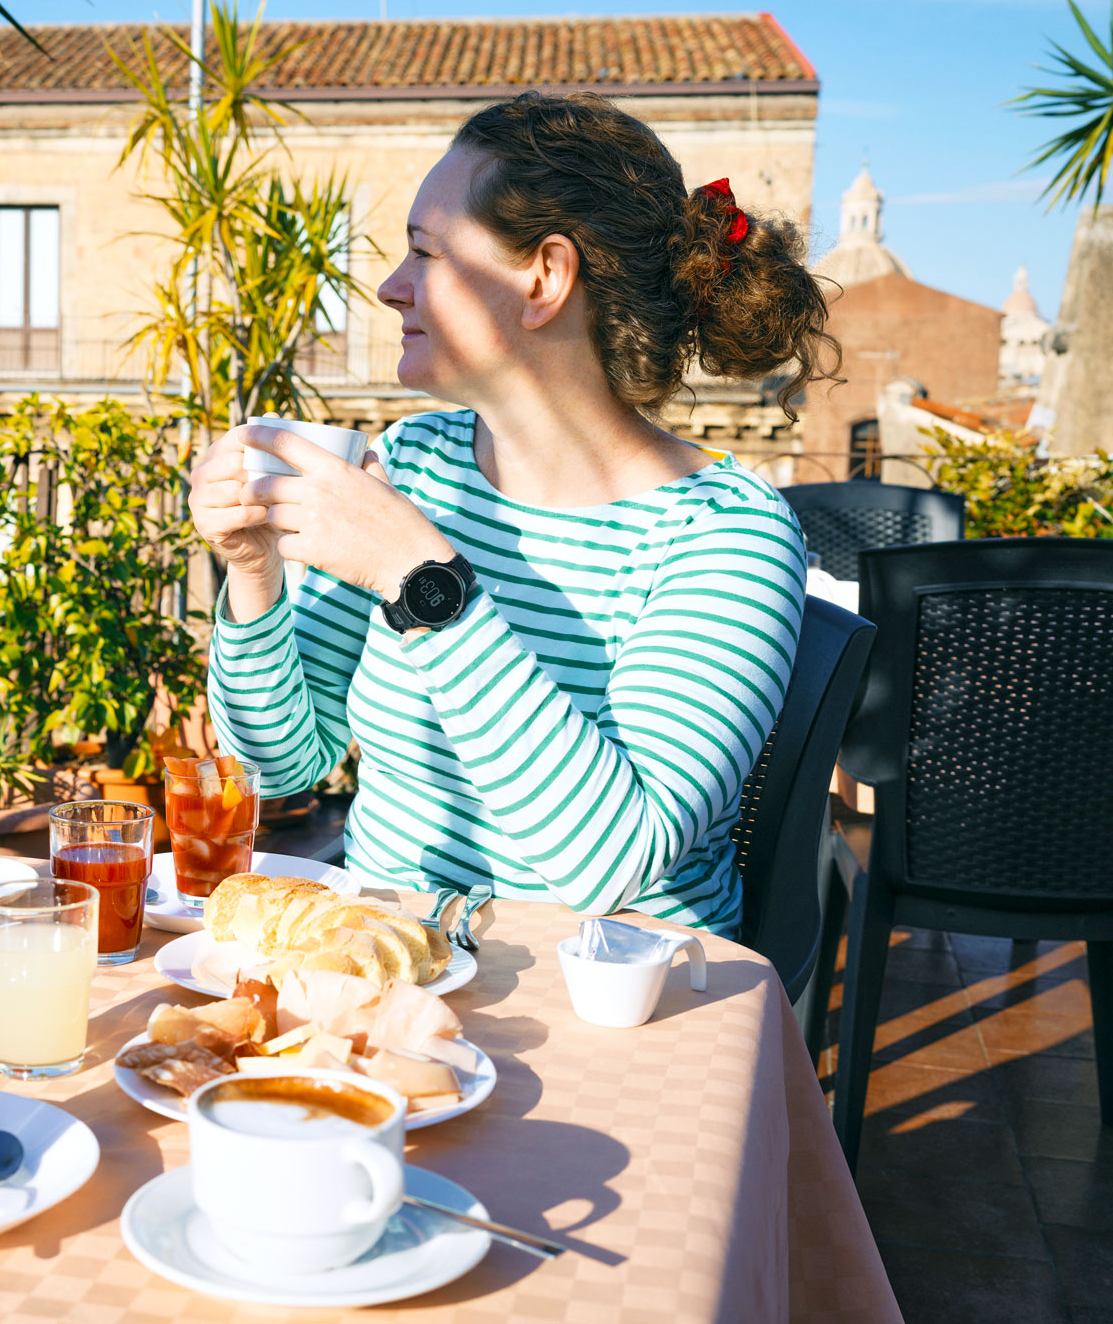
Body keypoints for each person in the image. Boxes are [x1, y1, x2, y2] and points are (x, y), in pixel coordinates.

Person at [190, 91, 837, 935]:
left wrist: (422, 579)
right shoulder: (418, 464)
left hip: (615, 1002)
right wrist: (253, 572)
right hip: (388, 966)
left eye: (425, 253)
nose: (390, 288)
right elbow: (275, 766)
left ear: (545, 277)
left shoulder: (723, 532)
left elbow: (611, 860)